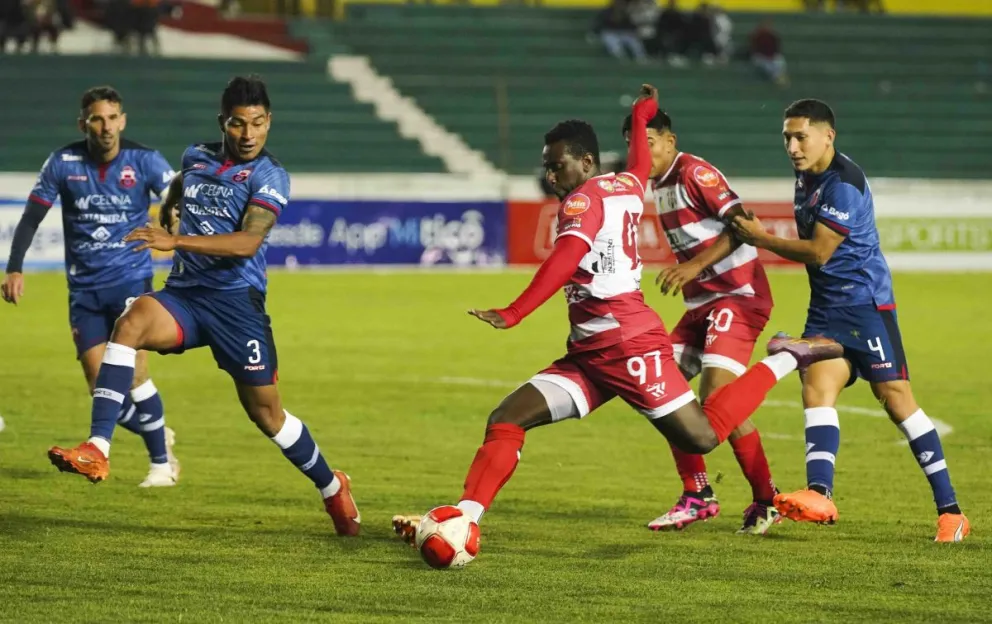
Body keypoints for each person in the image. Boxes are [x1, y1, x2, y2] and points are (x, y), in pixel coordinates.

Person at [392, 85, 844, 561]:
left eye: (558, 164)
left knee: (704, 435)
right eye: (547, 165)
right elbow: (640, 164)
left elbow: (564, 260)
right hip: (590, 352)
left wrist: (515, 311)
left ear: (586, 163)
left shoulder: (583, 202)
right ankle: (465, 516)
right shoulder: (625, 185)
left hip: (627, 347)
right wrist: (641, 110)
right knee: (507, 418)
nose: (550, 174)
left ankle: (786, 358)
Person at [45, 75, 361, 537]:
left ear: (269, 123)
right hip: (187, 297)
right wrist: (172, 207)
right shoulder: (195, 157)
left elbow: (248, 242)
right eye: (238, 124)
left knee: (268, 416)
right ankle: (98, 447)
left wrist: (174, 238)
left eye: (257, 124)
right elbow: (177, 192)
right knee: (130, 324)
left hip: (236, 307)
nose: (248, 134)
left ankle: (333, 486)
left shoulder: (270, 175)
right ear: (223, 123)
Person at [730, 99, 969, 542]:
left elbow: (821, 251)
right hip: (826, 308)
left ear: (828, 136)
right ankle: (820, 493)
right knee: (816, 390)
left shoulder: (843, 183)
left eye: (800, 136)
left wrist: (762, 239)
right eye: (787, 137)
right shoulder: (807, 177)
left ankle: (951, 511)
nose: (792, 146)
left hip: (866, 306)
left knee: (896, 400)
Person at [3, 86, 180, 488]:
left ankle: (160, 467)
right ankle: (158, 432)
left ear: (123, 120)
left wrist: (174, 225)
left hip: (131, 284)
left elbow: (176, 199)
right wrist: (14, 268)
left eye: (112, 117)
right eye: (97, 119)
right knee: (99, 386)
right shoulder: (63, 163)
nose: (106, 127)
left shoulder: (145, 160)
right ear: (83, 123)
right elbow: (31, 217)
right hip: (83, 290)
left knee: (134, 376)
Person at [620, 109, 779, 534]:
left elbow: (745, 225)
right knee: (659, 391)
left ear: (669, 141)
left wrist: (694, 267)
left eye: (648, 142)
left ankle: (762, 497)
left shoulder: (695, 173)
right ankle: (702, 493)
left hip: (738, 296)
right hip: (702, 306)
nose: (641, 151)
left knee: (715, 401)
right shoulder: (655, 183)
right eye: (635, 144)